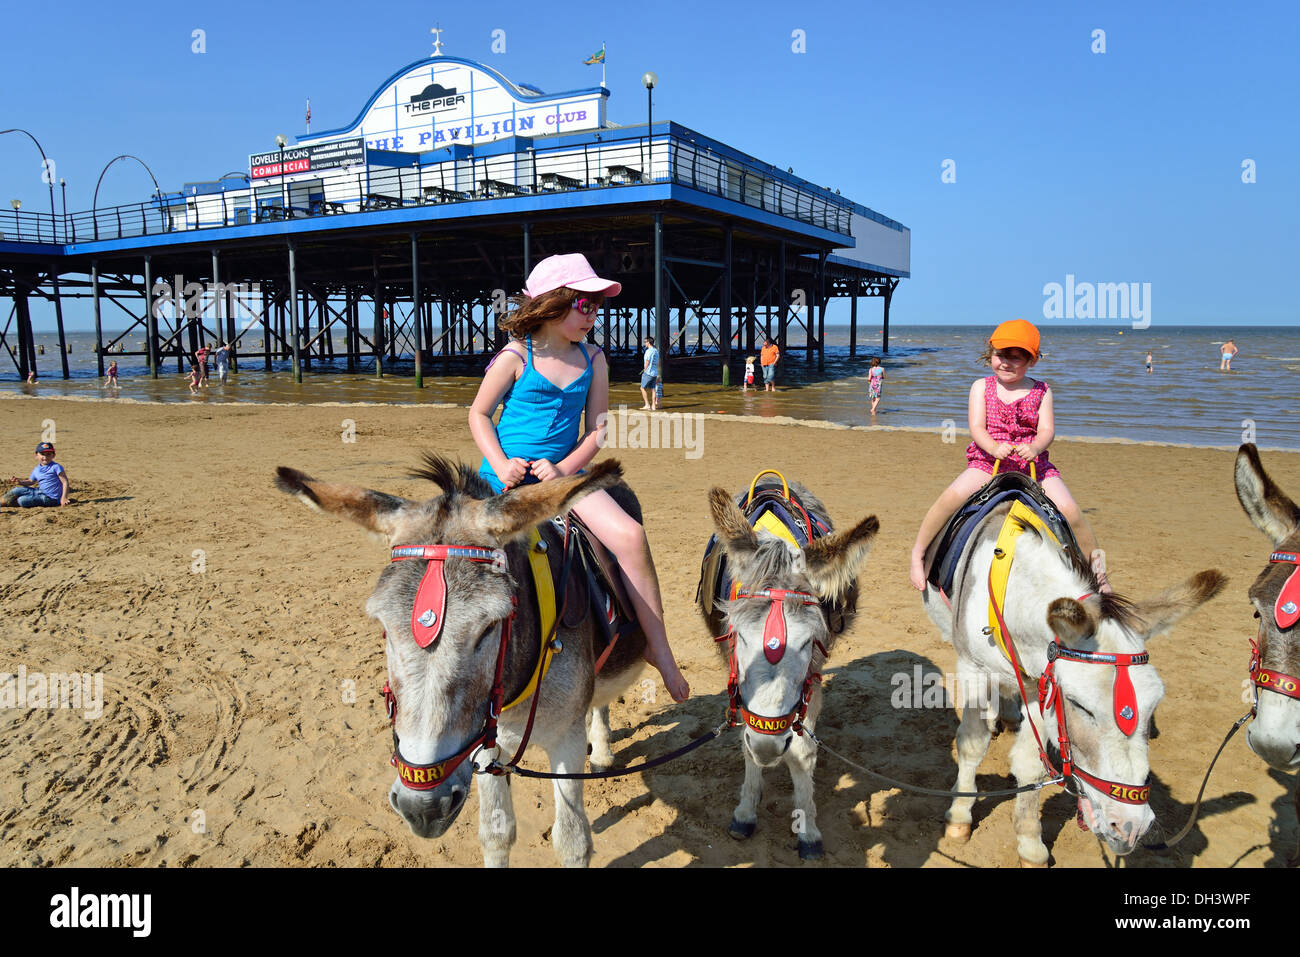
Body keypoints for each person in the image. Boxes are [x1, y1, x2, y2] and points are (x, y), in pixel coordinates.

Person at [468, 253, 690, 702]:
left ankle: (658, 648)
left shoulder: (595, 358)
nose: (593, 314)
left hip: (562, 478)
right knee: (451, 548)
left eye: (596, 306)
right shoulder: (515, 356)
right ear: (553, 304)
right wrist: (500, 460)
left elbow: (599, 429)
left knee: (629, 535)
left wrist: (563, 470)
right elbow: (478, 414)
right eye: (584, 304)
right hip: (502, 478)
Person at [908, 319, 1108, 593]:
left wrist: (1035, 448)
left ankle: (1099, 576)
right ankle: (918, 554)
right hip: (988, 462)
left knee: (1071, 512)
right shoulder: (981, 386)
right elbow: (976, 427)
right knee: (950, 498)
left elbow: (1047, 429)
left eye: (1016, 358)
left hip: (1033, 466)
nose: (1006, 363)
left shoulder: (1042, 390)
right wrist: (993, 447)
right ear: (991, 354)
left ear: (1032, 361)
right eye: (1001, 355)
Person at [2, 442, 69, 509]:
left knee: (22, 500)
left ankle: (9, 504)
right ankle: (2, 502)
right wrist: (20, 482)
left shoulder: (56, 467)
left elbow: (65, 482)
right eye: (42, 454)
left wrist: (64, 498)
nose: (45, 457)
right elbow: (31, 481)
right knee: (16, 490)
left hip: (52, 498)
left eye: (48, 454)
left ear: (53, 455)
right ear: (36, 455)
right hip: (40, 492)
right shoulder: (37, 469)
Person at [639, 336, 659, 410]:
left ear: (648, 342)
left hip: (648, 372)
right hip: (654, 372)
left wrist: (644, 370)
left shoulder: (648, 351)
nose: (644, 343)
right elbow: (657, 362)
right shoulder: (656, 351)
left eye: (645, 342)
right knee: (653, 389)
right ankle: (653, 406)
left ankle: (647, 404)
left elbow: (647, 361)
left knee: (642, 388)